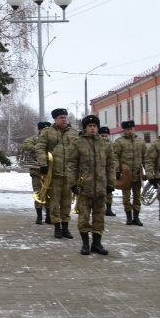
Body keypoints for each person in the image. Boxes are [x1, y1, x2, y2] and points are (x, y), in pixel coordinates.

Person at [68, 115, 115, 256]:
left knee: (99, 217)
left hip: (101, 187)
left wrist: (110, 183)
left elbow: (111, 165)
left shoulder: (106, 144)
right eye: (90, 126)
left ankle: (97, 243)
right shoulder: (78, 143)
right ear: (85, 128)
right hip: (84, 188)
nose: (92, 128)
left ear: (98, 127)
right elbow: (71, 164)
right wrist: (73, 183)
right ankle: (85, 244)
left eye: (95, 126)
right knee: (84, 217)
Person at [35, 108, 78, 240]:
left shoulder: (74, 133)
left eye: (65, 117)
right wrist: (43, 165)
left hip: (70, 173)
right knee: (54, 202)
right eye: (61, 117)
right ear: (55, 119)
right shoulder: (48, 132)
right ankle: (57, 226)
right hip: (54, 173)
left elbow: (80, 151)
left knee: (67, 202)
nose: (64, 119)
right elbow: (40, 147)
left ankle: (65, 227)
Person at [112, 120, 147, 226]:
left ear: (134, 129)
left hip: (137, 174)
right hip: (125, 175)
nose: (130, 131)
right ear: (124, 130)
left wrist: (148, 172)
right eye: (127, 129)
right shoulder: (119, 142)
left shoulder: (141, 142)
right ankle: (128, 217)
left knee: (137, 197)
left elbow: (146, 158)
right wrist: (117, 170)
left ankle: (136, 217)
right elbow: (115, 157)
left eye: (131, 129)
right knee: (126, 197)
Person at [20, 122, 52, 225]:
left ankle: (49, 215)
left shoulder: (51, 140)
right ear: (39, 130)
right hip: (36, 171)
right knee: (38, 193)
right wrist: (39, 150)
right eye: (44, 129)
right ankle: (39, 216)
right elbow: (25, 144)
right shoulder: (34, 139)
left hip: (49, 171)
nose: (46, 132)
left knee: (49, 193)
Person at [98, 126, 117, 217]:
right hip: (98, 171)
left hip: (108, 170)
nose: (104, 137)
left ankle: (108, 209)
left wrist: (115, 170)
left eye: (106, 136)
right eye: (102, 135)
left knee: (109, 190)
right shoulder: (96, 145)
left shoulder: (110, 145)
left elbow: (113, 159)